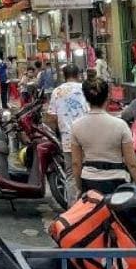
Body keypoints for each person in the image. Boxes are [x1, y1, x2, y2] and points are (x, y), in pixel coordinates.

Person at [70, 79, 136, 195]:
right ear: (108, 96)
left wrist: (80, 187)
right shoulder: (120, 125)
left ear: (86, 98)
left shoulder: (76, 126)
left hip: (89, 181)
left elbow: (76, 163)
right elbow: (132, 163)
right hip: (117, 181)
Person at [45, 64, 88, 204]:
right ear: (78, 75)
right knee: (89, 171)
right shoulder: (85, 88)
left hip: (68, 139)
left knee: (71, 174)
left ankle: (73, 208)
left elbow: (51, 116)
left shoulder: (57, 91)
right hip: (88, 137)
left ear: (64, 76)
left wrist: (60, 125)